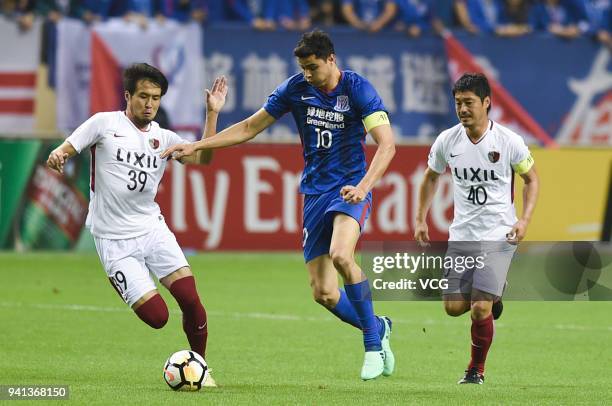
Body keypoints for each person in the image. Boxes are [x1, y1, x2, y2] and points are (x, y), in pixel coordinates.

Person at [162, 30, 396, 381]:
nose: (307, 74)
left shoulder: (357, 89)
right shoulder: (295, 89)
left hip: (350, 189)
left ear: (331, 60)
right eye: (302, 68)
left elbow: (387, 145)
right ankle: (379, 325)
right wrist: (199, 145)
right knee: (324, 293)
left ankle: (372, 345)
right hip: (315, 194)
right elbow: (249, 127)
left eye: (313, 67)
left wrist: (364, 187)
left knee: (342, 255)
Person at [46, 63, 227, 387]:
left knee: (190, 296)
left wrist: (211, 115)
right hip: (114, 240)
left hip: (151, 228)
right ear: (128, 95)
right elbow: (68, 146)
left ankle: (200, 368)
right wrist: (59, 154)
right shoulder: (104, 124)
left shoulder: (164, 138)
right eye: (143, 96)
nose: (150, 103)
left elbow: (204, 159)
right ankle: (120, 277)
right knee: (158, 318)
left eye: (156, 98)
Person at [414, 73, 539, 384]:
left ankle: (475, 370)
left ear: (486, 103)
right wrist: (420, 218)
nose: (462, 109)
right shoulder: (447, 140)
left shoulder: (509, 142)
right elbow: (430, 177)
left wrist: (524, 221)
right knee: (453, 307)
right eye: (458, 103)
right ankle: (496, 294)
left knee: (479, 309)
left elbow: (532, 179)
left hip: (499, 234)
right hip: (462, 235)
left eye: (469, 103)